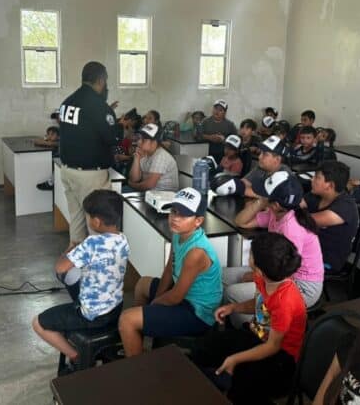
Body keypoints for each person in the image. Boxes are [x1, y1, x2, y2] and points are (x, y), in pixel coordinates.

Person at [192, 233, 306, 404]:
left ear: (259, 268)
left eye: (251, 254)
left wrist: (235, 359)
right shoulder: (262, 278)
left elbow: (272, 347)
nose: (249, 256)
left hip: (280, 358)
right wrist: (233, 307)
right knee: (205, 347)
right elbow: (260, 304)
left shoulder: (285, 301)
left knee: (242, 385)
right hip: (258, 335)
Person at [32, 190, 129, 374]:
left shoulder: (91, 243)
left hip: (91, 315)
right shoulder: (122, 239)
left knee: (38, 323)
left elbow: (60, 268)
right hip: (114, 308)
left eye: (89, 217)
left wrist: (68, 251)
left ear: (97, 221)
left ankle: (76, 356)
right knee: (78, 277)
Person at [118, 188, 222, 356]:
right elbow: (169, 270)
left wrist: (155, 304)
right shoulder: (178, 234)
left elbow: (176, 297)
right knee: (142, 284)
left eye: (183, 215)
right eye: (173, 211)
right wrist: (156, 304)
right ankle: (137, 344)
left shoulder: (196, 252)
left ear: (198, 221)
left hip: (197, 313)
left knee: (126, 320)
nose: (175, 218)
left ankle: (139, 366)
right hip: (184, 297)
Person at [224, 171, 323, 324]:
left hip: (301, 286)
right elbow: (241, 221)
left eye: (264, 195)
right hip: (274, 270)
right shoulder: (278, 213)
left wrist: (255, 276)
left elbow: (287, 270)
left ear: (276, 205)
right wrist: (261, 202)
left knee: (233, 293)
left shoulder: (292, 228)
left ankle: (253, 330)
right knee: (223, 276)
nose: (260, 196)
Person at [58, 61, 121, 251]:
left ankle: (73, 263)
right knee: (98, 227)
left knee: (77, 221)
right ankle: (97, 266)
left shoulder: (67, 103)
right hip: (90, 176)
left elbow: (82, 128)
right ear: (101, 80)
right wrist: (118, 126)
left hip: (67, 171)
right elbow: (113, 138)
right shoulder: (100, 107)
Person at [301, 161, 359, 273]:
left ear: (330, 185)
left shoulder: (345, 206)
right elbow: (295, 206)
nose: (312, 180)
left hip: (326, 260)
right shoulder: (315, 195)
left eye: (317, 178)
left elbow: (303, 220)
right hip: (307, 249)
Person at [127, 123, 179, 192]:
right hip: (151, 193)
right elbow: (134, 179)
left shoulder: (160, 156)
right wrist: (137, 158)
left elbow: (149, 185)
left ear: (154, 142)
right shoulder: (144, 153)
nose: (139, 142)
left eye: (144, 140)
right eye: (140, 138)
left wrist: (133, 185)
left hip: (163, 195)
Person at [35, 126, 60, 191]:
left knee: (57, 167)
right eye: (48, 134)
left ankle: (50, 183)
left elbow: (50, 144)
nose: (50, 136)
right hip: (52, 160)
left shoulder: (59, 142)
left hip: (59, 160)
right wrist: (45, 138)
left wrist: (45, 140)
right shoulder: (49, 140)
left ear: (58, 136)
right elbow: (37, 141)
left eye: (52, 134)